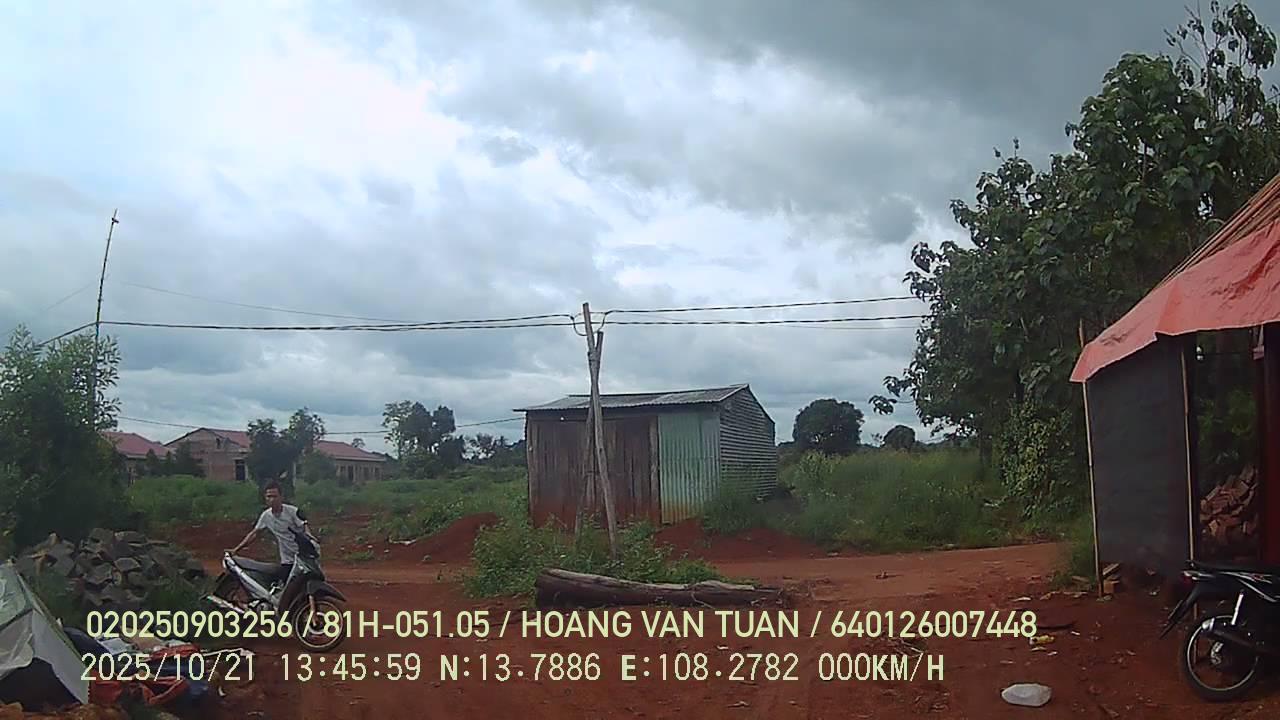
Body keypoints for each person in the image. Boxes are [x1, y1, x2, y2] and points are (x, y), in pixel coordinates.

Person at [226, 480, 314, 586]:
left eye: (275, 496)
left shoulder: (292, 511)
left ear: (281, 497)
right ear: (265, 498)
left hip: (304, 556)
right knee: (288, 586)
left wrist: (309, 536)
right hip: (288, 559)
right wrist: (236, 549)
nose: (272, 499)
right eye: (269, 496)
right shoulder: (266, 516)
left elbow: (304, 526)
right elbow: (254, 534)